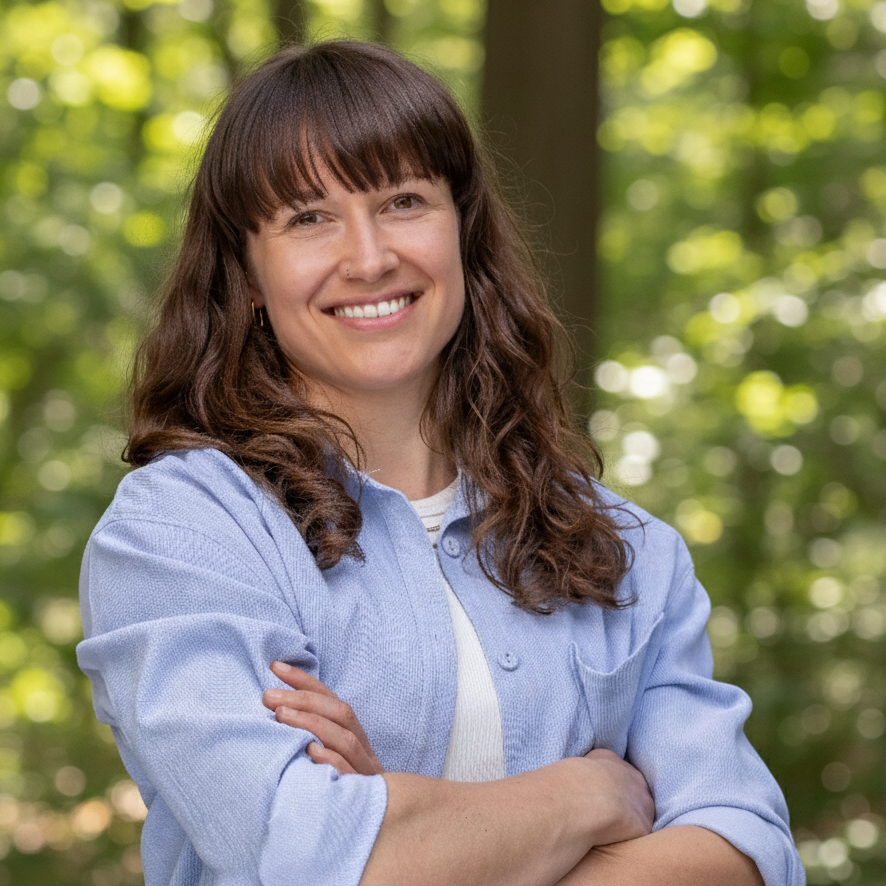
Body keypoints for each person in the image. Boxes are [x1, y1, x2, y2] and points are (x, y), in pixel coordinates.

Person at [76, 40, 804, 886]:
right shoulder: (184, 533)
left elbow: (746, 851)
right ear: (244, 272)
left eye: (404, 201)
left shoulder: (625, 548)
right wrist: (586, 795)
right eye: (308, 217)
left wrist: (398, 817)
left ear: (465, 231)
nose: (370, 256)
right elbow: (296, 853)